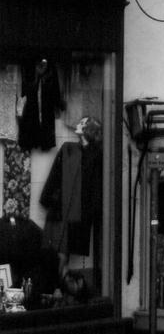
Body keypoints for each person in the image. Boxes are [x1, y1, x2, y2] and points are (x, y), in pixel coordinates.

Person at [40, 117, 102, 285]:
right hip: (61, 206)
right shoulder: (69, 149)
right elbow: (56, 174)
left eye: (83, 122)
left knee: (62, 251)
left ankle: (57, 286)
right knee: (56, 249)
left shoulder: (96, 154)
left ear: (89, 129)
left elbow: (96, 185)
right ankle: (58, 286)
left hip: (78, 210)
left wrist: (92, 211)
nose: (78, 123)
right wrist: (48, 198)